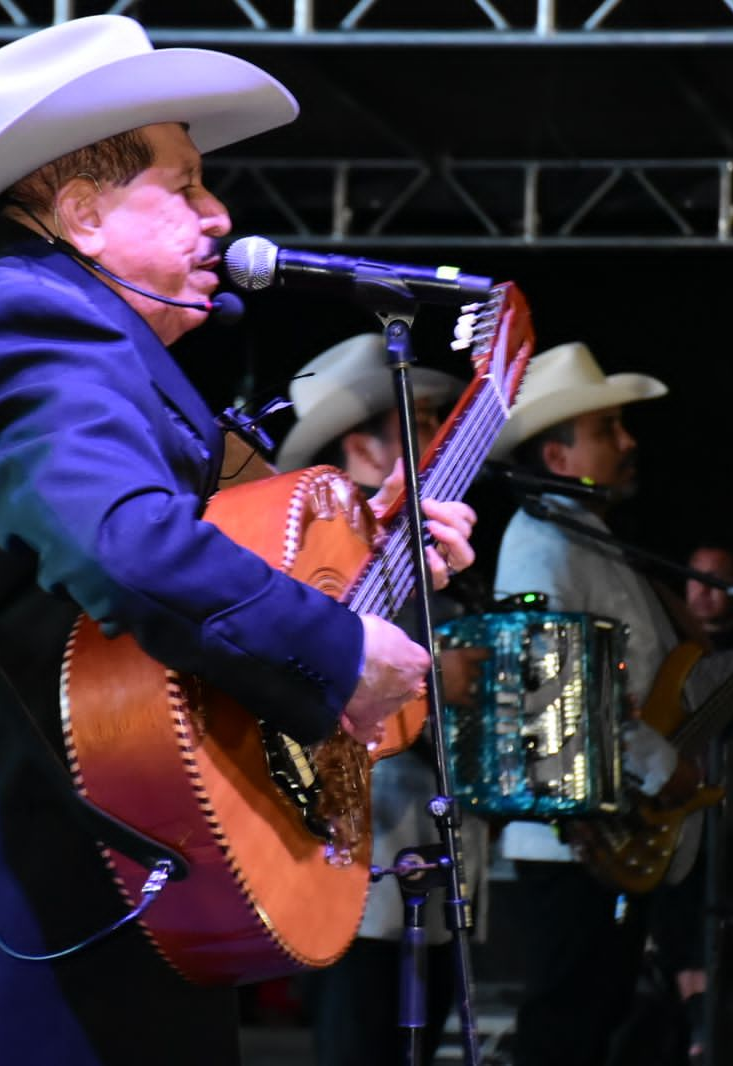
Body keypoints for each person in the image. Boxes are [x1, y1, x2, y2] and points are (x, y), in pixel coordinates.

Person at [0, 16, 476, 1065]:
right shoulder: (25, 317)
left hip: (48, 884)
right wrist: (335, 654)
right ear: (80, 212)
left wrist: (364, 558)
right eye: (184, 184)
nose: (219, 215)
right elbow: (128, 548)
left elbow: (120, 568)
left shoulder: (30, 315)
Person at [488, 341, 720, 1066]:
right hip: (574, 837)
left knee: (593, 1016)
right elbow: (554, 692)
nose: (628, 441)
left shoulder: (586, 540)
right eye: (608, 429)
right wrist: (661, 767)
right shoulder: (542, 548)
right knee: (568, 1022)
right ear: (558, 457)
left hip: (604, 831)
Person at [278, 333, 488, 1066]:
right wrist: (437, 679)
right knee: (362, 1034)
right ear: (363, 449)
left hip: (417, 845)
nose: (440, 436)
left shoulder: (406, 537)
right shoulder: (318, 546)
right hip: (355, 851)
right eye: (422, 421)